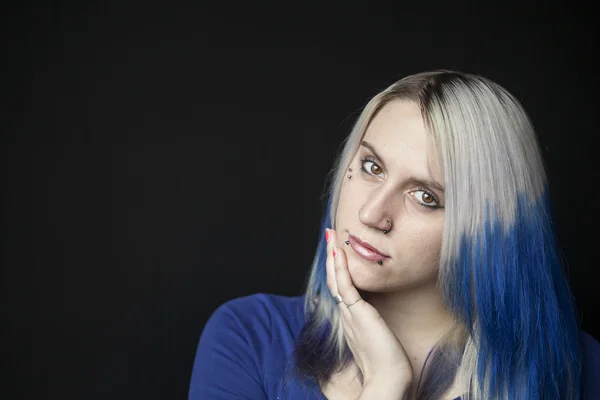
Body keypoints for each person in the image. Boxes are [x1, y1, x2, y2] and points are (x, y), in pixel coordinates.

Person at [188, 70, 600, 399]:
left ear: (491, 228)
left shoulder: (577, 368)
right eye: (372, 167)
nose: (371, 214)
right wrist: (385, 384)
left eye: (425, 196)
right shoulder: (250, 337)